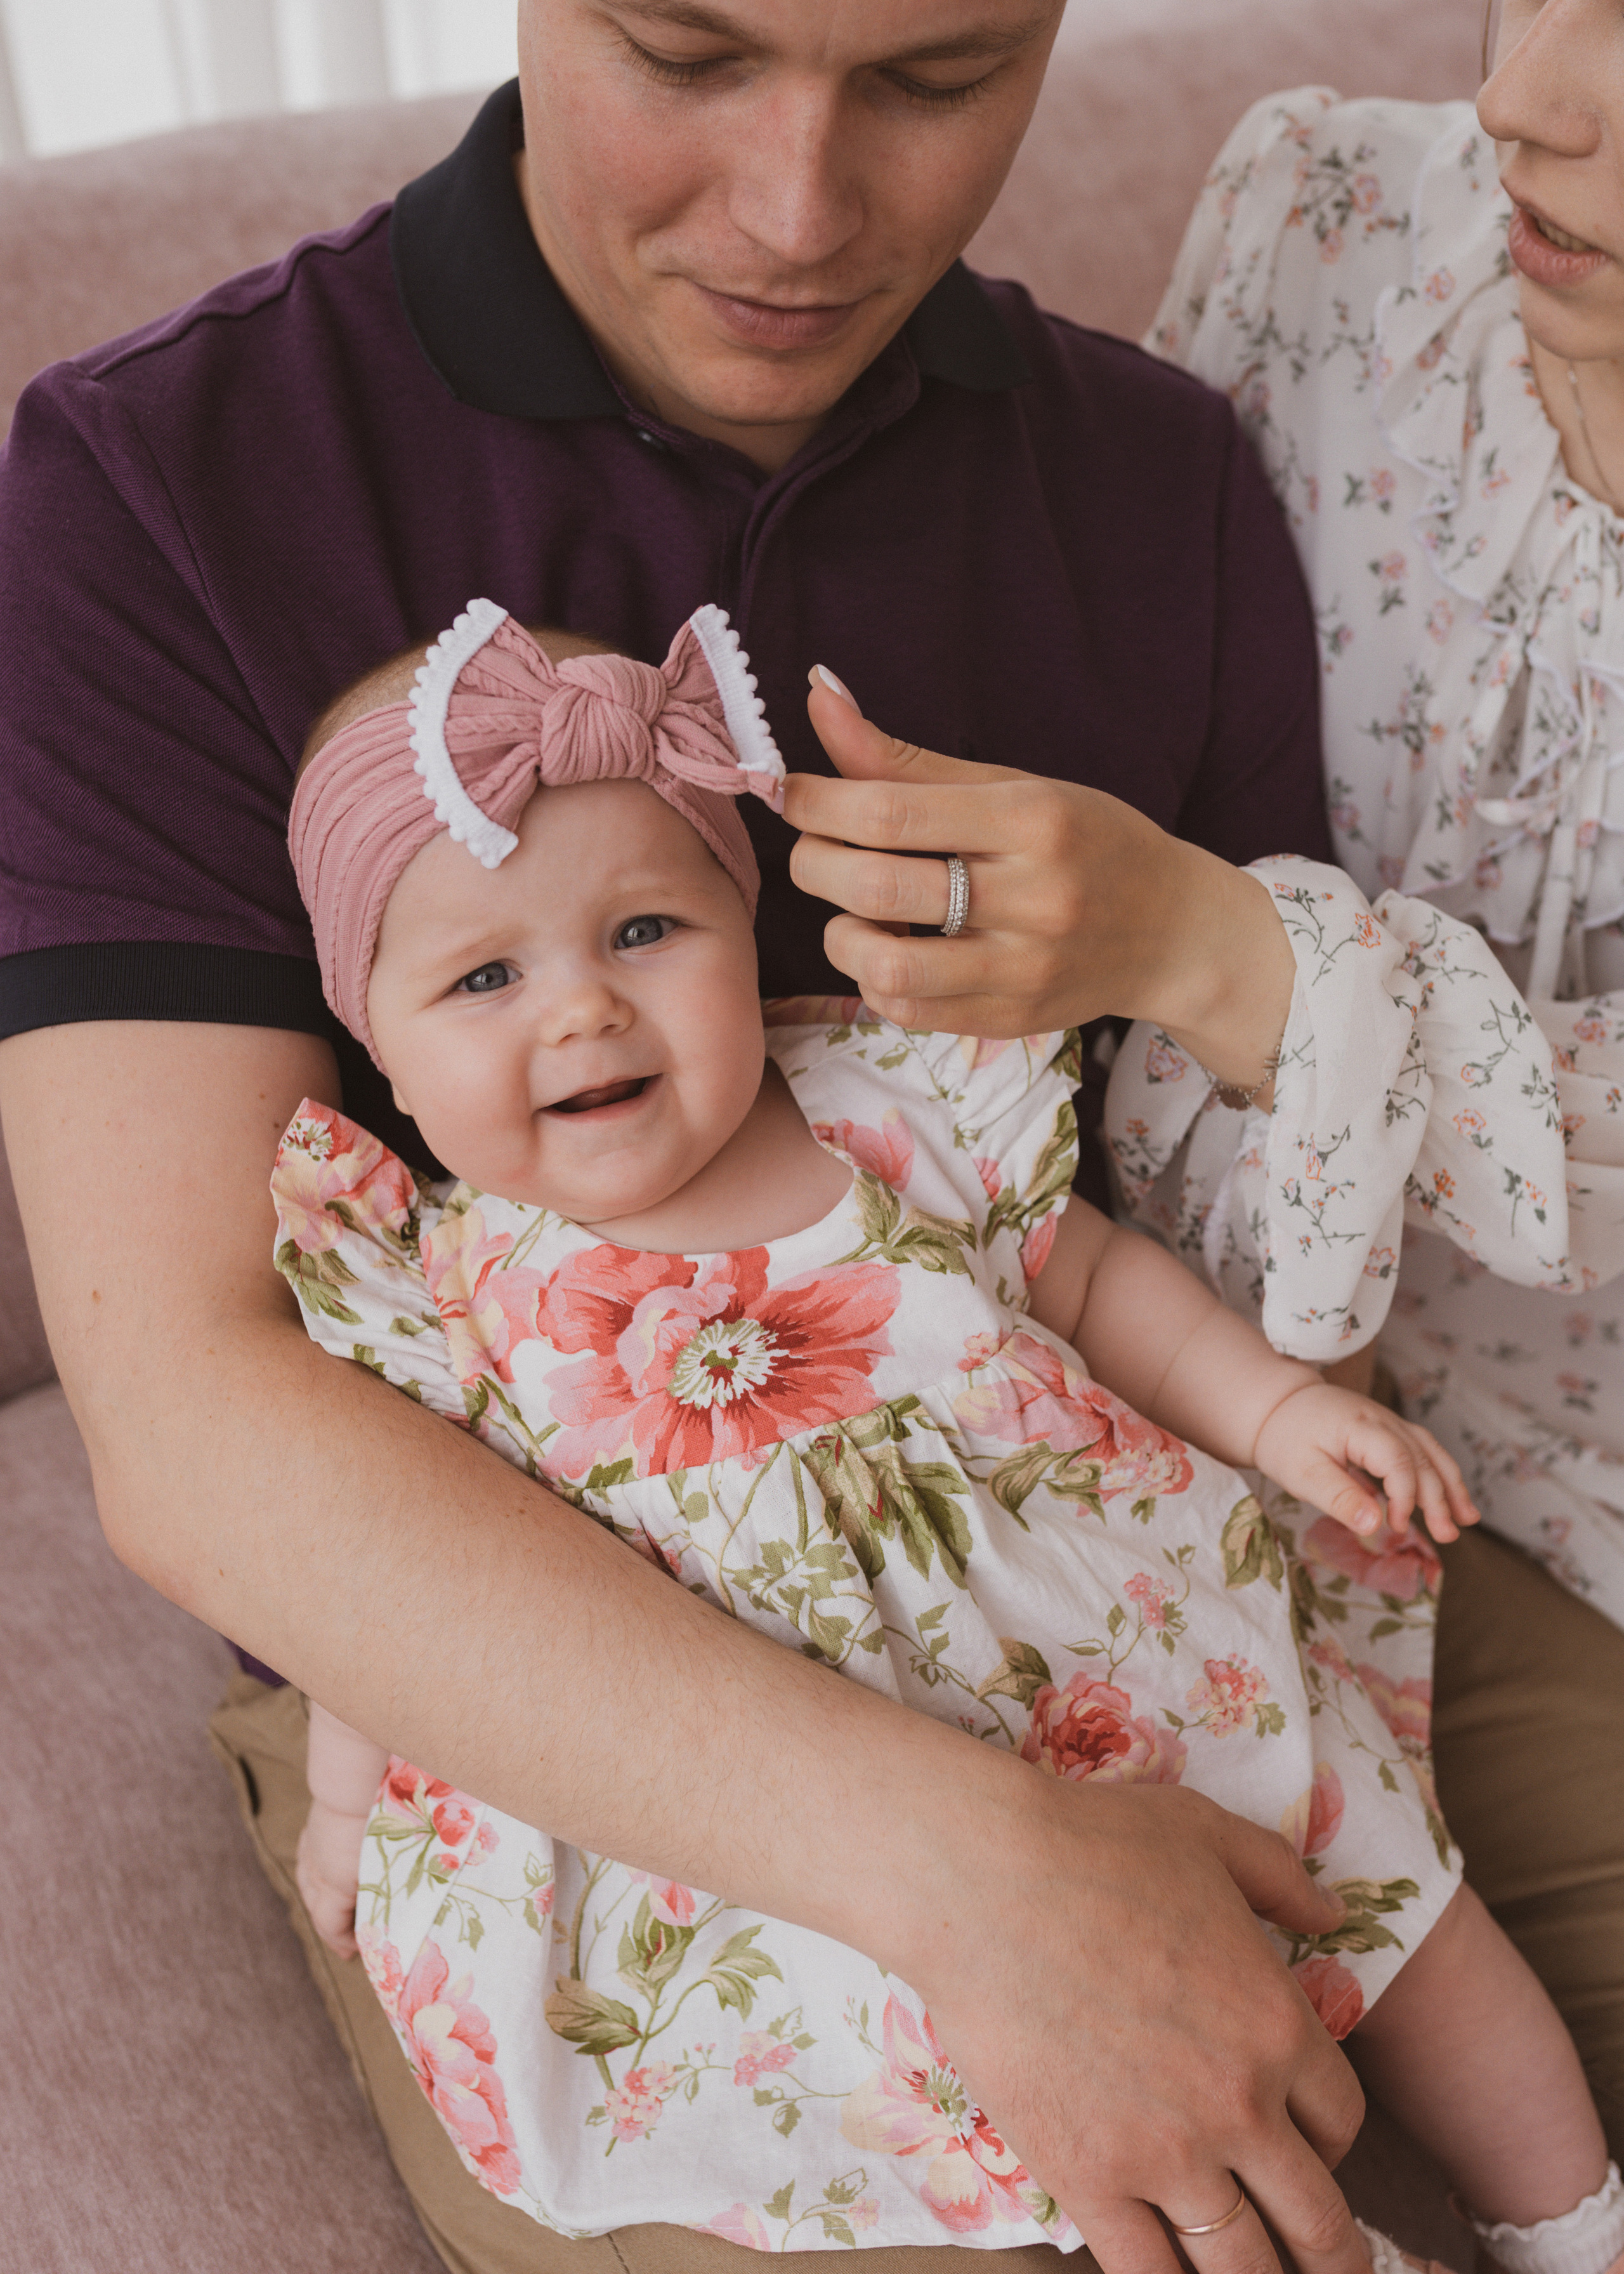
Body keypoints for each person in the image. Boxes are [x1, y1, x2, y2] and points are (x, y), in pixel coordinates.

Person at [0, 5, 1393, 2270]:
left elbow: (1257, 1239)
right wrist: (975, 1879)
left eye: (936, 80)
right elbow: (193, 1399)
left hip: (1121, 1533)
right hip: (530, 1691)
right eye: (687, 48)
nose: (800, 211)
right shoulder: (166, 473)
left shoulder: (1157, 485)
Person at [275, 596, 1621, 2268]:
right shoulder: (444, 1293)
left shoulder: (890, 1103)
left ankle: (1571, 2218)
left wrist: (1278, 1415)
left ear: (735, 911)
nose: (581, 1015)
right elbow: (370, 1593)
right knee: (1030, 2132)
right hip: (824, 1826)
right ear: (381, 1048)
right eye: (485, 977)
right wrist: (348, 1810)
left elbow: (1096, 1283)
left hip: (1138, 1682)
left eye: (643, 933)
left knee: (1417, 1922)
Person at [1093, 0, 1624, 2156]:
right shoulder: (1329, 212)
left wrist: (1236, 964)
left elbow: (1177, 914)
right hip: (1222, 1405)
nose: (1526, 98)